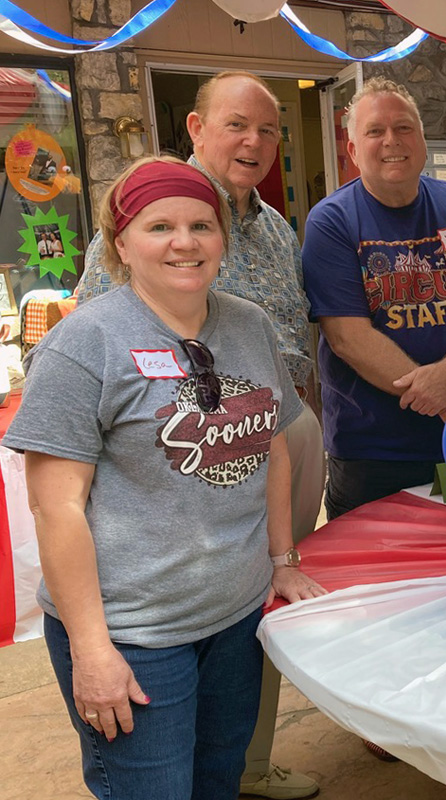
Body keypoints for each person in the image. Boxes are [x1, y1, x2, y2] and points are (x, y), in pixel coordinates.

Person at [1, 157, 328, 800]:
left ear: (222, 241)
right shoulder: (83, 344)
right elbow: (56, 508)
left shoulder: (249, 325)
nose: (185, 241)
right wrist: (93, 651)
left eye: (202, 225)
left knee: (219, 780)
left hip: (235, 619)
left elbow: (272, 449)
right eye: (160, 226)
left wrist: (282, 558)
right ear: (120, 244)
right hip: (133, 634)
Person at [73, 71, 322, 800]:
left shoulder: (273, 225)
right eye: (237, 124)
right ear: (196, 127)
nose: (255, 141)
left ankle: (245, 763)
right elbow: (98, 345)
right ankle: (164, 770)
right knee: (184, 601)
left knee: (264, 591)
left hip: (280, 430)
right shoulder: (154, 214)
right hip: (180, 445)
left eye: (269, 130)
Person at [302, 77, 446, 521]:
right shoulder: (330, 221)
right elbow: (347, 337)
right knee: (371, 580)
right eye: (374, 131)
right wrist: (443, 398)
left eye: (404, 128)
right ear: (352, 150)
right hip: (371, 453)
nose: (391, 141)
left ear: (422, 140)